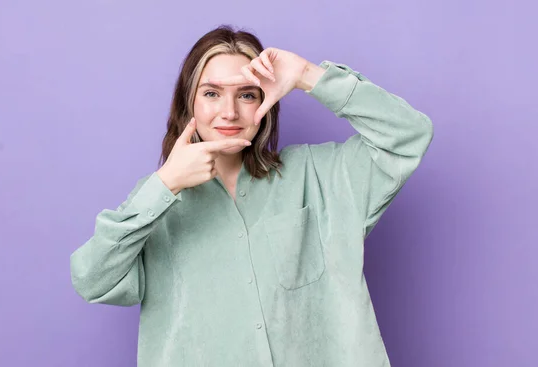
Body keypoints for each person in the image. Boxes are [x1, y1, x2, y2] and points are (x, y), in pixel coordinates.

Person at [70, 24, 433, 367]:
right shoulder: (153, 203)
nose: (229, 112)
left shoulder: (318, 175)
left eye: (246, 94)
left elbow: (408, 136)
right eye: (211, 94)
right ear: (188, 105)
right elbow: (91, 279)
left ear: (267, 103)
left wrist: (307, 75)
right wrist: (165, 185)